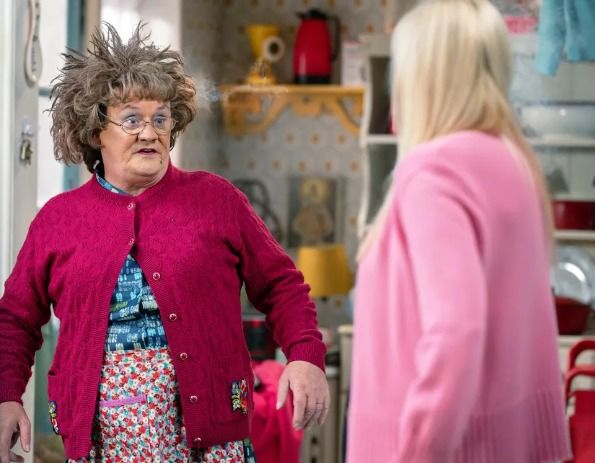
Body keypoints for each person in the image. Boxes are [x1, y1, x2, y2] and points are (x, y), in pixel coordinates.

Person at [0, 23, 329, 463]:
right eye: (132, 119)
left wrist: (305, 355)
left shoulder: (216, 200)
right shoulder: (58, 221)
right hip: (103, 447)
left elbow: (282, 285)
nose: (150, 132)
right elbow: (16, 321)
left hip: (215, 444)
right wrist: (7, 396)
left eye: (161, 118)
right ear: (97, 130)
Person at [346, 1, 572, 462]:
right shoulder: (513, 162)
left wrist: (418, 452)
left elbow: (457, 329)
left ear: (424, 75)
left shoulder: (434, 172)